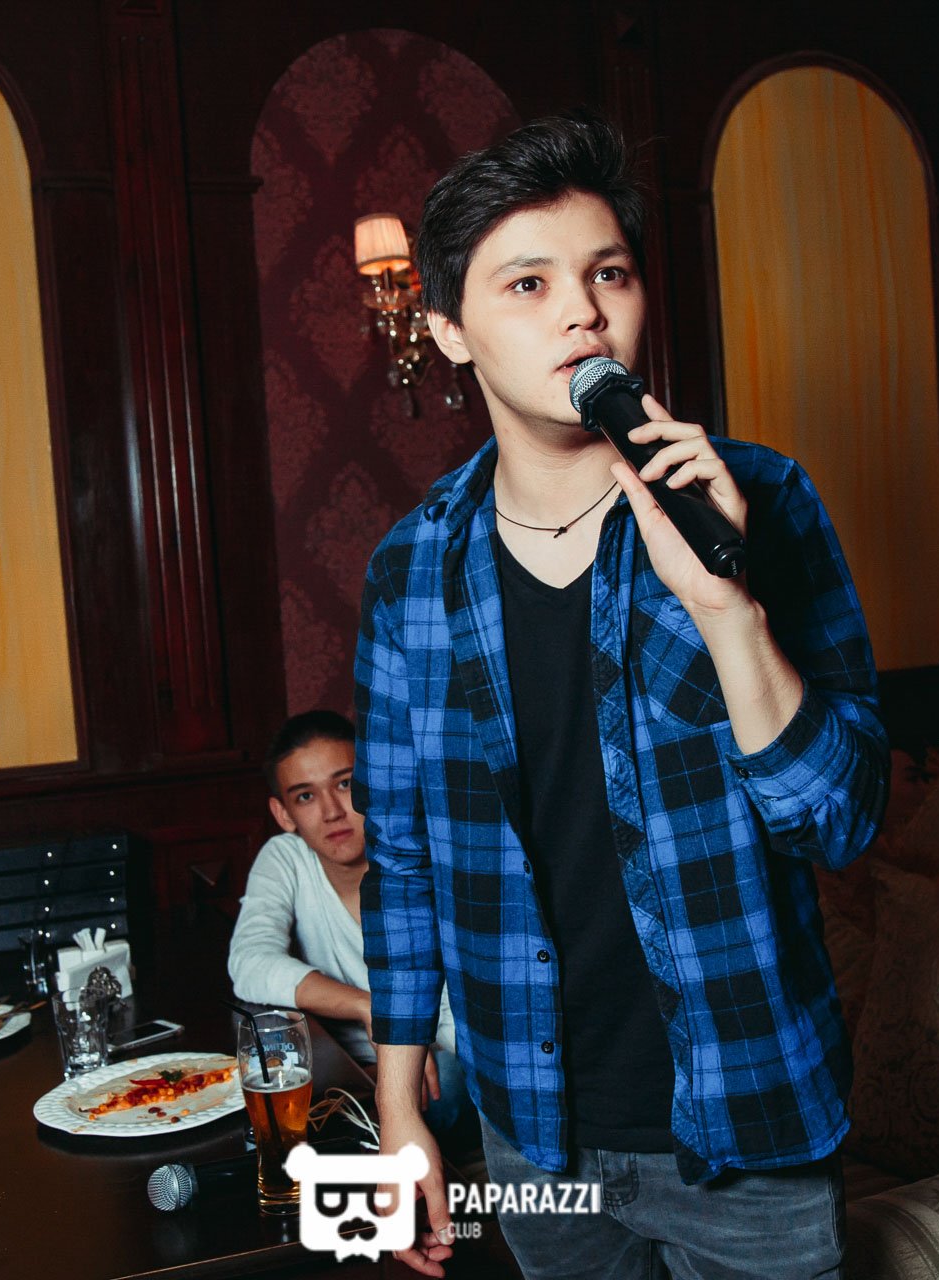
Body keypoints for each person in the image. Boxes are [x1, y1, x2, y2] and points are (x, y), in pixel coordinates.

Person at [353, 111, 888, 1280]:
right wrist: (399, 1107)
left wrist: (726, 606)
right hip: (535, 1131)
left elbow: (837, 820)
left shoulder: (761, 501)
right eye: (529, 283)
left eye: (609, 274)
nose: (583, 313)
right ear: (449, 331)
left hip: (748, 1115)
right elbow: (401, 860)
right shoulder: (412, 568)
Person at [227, 710, 467, 1134]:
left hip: (440, 1058)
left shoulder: (425, 851)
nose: (332, 812)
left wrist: (397, 1057)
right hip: (345, 1066)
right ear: (284, 814)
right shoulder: (286, 858)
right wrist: (368, 1006)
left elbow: (459, 1029)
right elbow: (249, 962)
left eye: (345, 784)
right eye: (306, 796)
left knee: (443, 1080)